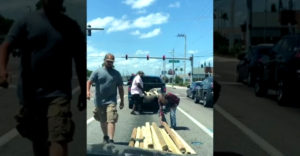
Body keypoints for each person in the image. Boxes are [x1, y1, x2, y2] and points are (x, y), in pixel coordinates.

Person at [0, 0, 86, 156]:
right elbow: (6, 45)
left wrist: (83, 90)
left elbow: (80, 60)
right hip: (30, 94)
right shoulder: (26, 21)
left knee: (59, 136)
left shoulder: (71, 27)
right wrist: (2, 71)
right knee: (38, 139)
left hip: (58, 94)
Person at [87, 53, 124, 144]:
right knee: (103, 121)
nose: (110, 63)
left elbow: (120, 88)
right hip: (99, 101)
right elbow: (89, 82)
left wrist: (122, 101)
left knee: (111, 119)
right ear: (104, 61)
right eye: (108, 61)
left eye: (111, 62)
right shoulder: (97, 72)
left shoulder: (116, 74)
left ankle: (111, 140)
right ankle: (106, 136)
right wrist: (87, 91)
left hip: (111, 101)